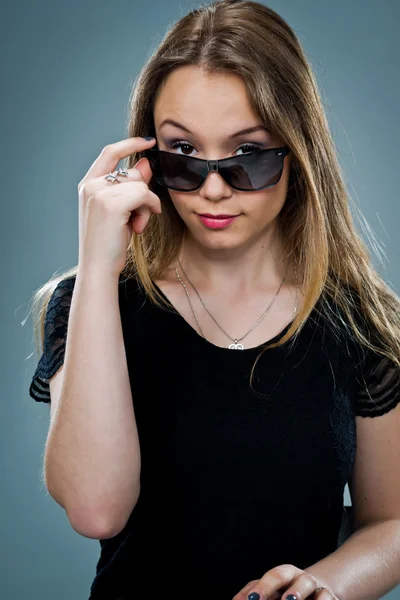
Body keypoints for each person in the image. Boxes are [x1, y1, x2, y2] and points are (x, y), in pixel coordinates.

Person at [28, 1, 400, 599]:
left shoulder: (358, 322)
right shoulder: (93, 304)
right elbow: (96, 511)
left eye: (248, 154)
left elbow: (392, 522)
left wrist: (325, 585)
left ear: (297, 150)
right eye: (183, 154)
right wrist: (98, 270)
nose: (214, 188)